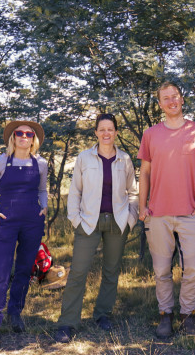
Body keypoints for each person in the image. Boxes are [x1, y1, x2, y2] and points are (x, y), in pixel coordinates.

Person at [137, 81, 195, 338]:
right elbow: (145, 172)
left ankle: (188, 314)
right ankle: (166, 314)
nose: (171, 101)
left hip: (192, 212)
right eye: (166, 98)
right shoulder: (150, 134)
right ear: (160, 104)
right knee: (161, 271)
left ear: (182, 99)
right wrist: (142, 206)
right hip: (158, 214)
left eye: (175, 97)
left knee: (192, 269)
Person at [54, 113, 139, 343]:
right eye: (101, 129)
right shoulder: (84, 158)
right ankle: (67, 322)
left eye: (110, 129)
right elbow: (75, 191)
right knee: (78, 273)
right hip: (88, 222)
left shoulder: (125, 159)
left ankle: (103, 314)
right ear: (95, 132)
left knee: (111, 272)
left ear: (116, 132)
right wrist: (75, 219)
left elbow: (133, 192)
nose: (106, 133)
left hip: (117, 222)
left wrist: (130, 218)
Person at [0, 120, 48, 349]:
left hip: (32, 222)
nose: (24, 136)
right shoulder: (1, 161)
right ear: (13, 137)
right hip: (6, 222)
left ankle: (15, 313)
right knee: (0, 272)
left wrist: (44, 207)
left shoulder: (40, 163)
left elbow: (42, 189)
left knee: (24, 270)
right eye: (19, 133)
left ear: (33, 139)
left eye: (28, 134)